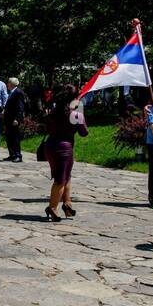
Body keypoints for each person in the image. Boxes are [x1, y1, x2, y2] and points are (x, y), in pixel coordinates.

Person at [43, 84, 88, 221]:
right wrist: (81, 112)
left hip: (50, 146)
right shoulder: (75, 114)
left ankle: (67, 204)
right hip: (64, 148)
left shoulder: (53, 111)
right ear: (74, 98)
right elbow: (84, 132)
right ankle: (52, 207)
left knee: (66, 176)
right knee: (60, 180)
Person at [3, 77, 26, 162]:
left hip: (14, 120)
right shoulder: (12, 92)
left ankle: (18, 155)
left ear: (12, 84)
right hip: (8, 119)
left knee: (15, 137)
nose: (7, 84)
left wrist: (17, 119)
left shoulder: (18, 92)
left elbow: (20, 107)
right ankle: (12, 154)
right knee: (9, 137)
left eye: (8, 83)